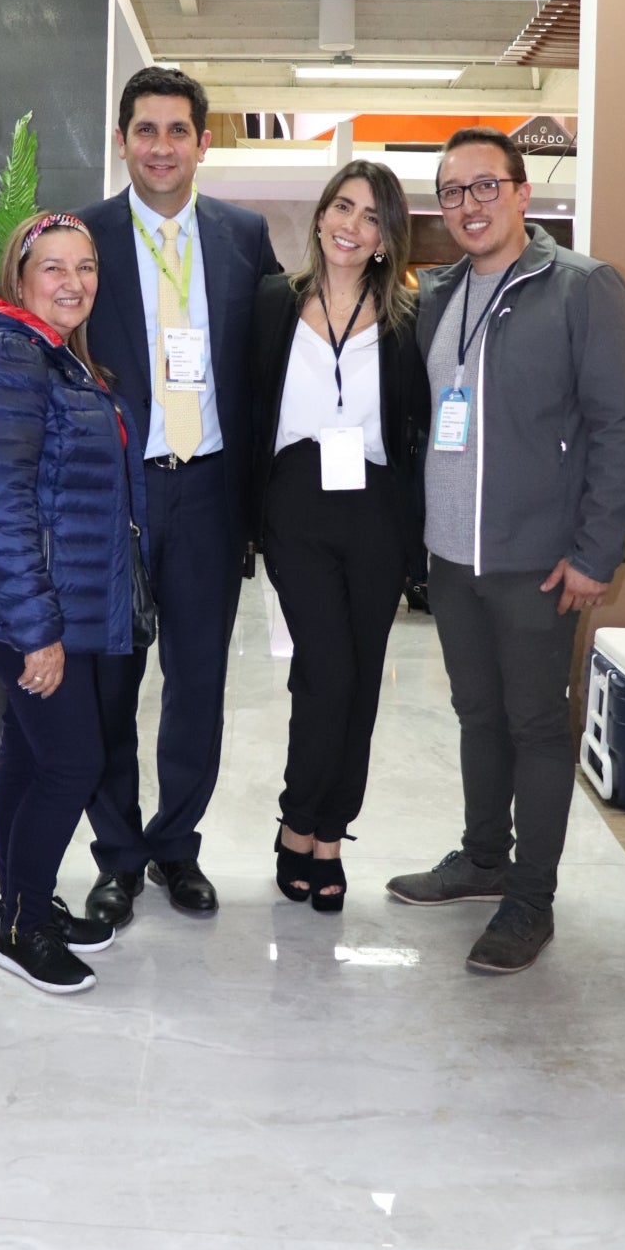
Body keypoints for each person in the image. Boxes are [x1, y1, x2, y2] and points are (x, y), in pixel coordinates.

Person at [387, 127, 625, 972]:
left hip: (538, 559)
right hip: (453, 559)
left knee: (535, 725)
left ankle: (531, 899)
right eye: (452, 191)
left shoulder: (582, 288)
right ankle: (484, 858)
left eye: (485, 186)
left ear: (523, 193)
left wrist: (597, 552)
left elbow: (619, 426)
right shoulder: (438, 294)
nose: (469, 204)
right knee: (477, 715)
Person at [77, 67, 277, 926]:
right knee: (110, 683)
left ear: (202, 142)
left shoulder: (244, 235)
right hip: (115, 496)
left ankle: (176, 847)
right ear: (122, 139)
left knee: (197, 684)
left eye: (177, 131)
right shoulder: (82, 235)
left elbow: (268, 361)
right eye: (146, 130)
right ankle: (118, 855)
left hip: (208, 493)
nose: (161, 147)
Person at [0, 213, 150, 992]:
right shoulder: (8, 353)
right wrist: (35, 630)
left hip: (56, 600)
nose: (73, 282)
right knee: (72, 761)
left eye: (85, 267)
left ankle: (23, 903)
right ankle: (23, 927)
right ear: (19, 277)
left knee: (33, 756)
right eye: (53, 267)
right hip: (24, 608)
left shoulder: (51, 354)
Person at [253, 162, 428, 911]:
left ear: (387, 238)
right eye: (342, 207)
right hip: (296, 500)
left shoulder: (408, 318)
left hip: (376, 507)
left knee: (361, 676)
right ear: (322, 215)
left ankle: (330, 834)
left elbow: (419, 422)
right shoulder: (272, 302)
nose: (352, 226)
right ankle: (297, 821)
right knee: (327, 670)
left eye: (371, 216)